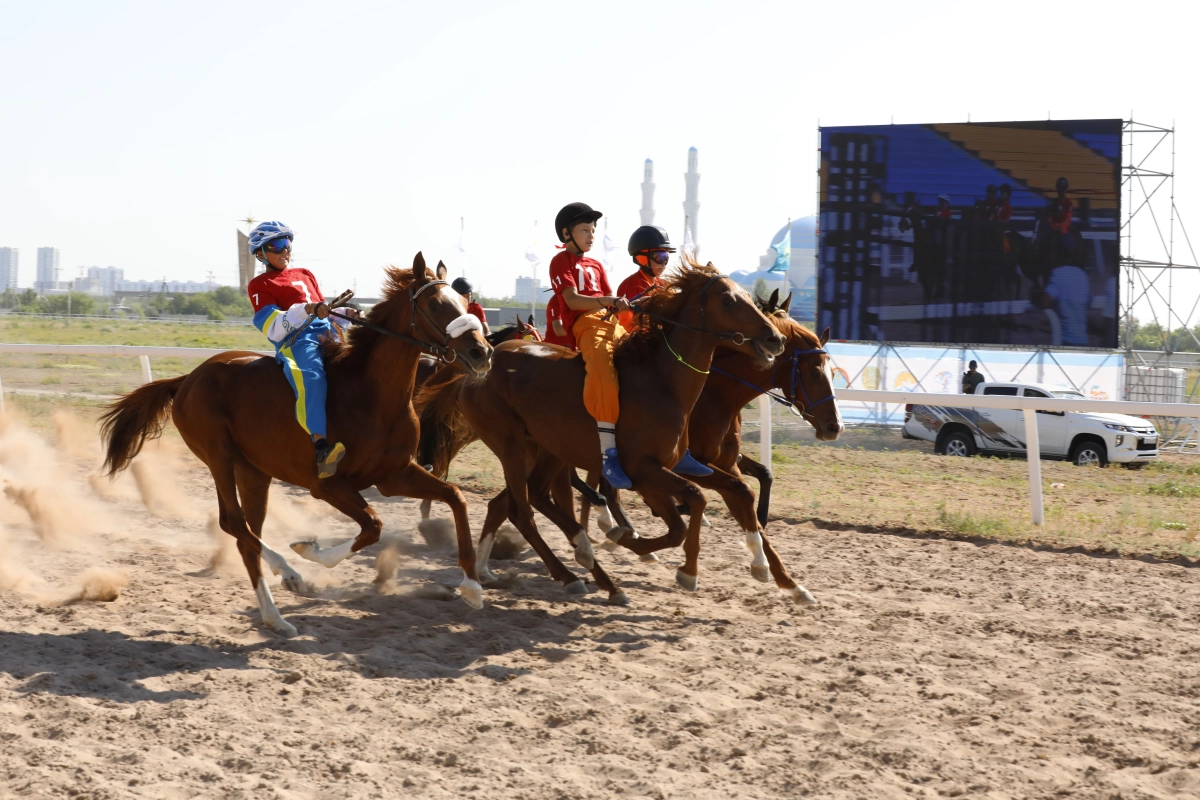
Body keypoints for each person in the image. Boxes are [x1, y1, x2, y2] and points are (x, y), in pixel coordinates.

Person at [246, 221, 346, 478]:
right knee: (312, 378)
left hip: (330, 334)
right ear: (260, 253)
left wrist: (344, 313)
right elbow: (272, 327)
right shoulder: (259, 285)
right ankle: (321, 448)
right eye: (276, 245)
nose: (284, 251)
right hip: (297, 343)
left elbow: (325, 311)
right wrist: (308, 310)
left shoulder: (305, 273)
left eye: (287, 244)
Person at [616, 225, 674, 329]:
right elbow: (626, 326)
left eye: (666, 257)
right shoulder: (629, 285)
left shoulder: (665, 285)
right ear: (642, 258)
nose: (664, 263)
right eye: (659, 257)